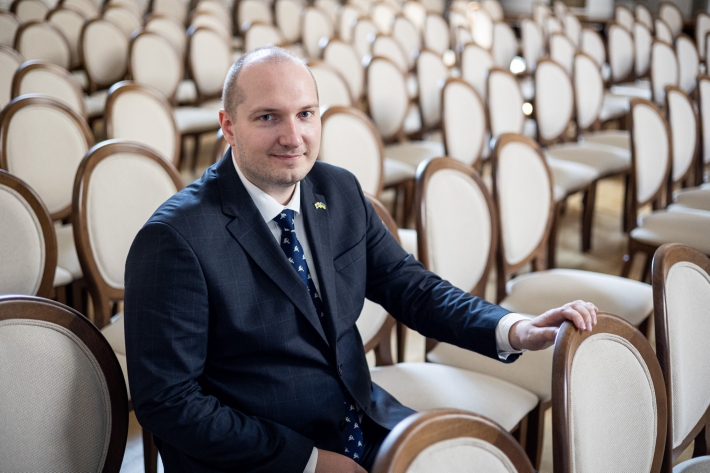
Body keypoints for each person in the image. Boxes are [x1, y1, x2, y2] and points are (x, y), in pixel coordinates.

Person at [124, 46, 598, 473]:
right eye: (268, 117)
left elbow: (410, 286)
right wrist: (309, 462)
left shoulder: (338, 190)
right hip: (263, 453)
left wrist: (514, 328)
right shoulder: (174, 239)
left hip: (362, 419)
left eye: (305, 114)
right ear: (228, 126)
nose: (293, 136)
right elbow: (169, 401)